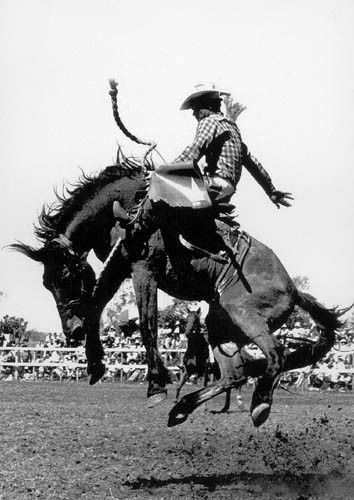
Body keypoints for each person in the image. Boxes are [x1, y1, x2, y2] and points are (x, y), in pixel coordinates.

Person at [175, 82, 293, 209]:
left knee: (162, 197)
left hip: (213, 184)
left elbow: (194, 150)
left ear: (206, 105)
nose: (194, 114)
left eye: (195, 108)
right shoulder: (232, 128)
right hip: (227, 190)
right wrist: (271, 191)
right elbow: (253, 164)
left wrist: (166, 170)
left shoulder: (208, 122)